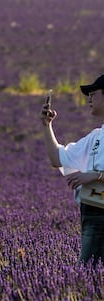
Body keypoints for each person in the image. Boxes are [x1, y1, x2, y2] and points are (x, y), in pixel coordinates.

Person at [40, 74, 104, 265]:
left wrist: (96, 176)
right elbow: (57, 158)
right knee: (89, 275)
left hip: (100, 217)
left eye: (94, 94)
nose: (89, 99)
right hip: (91, 213)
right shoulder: (96, 137)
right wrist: (46, 126)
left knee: (87, 272)